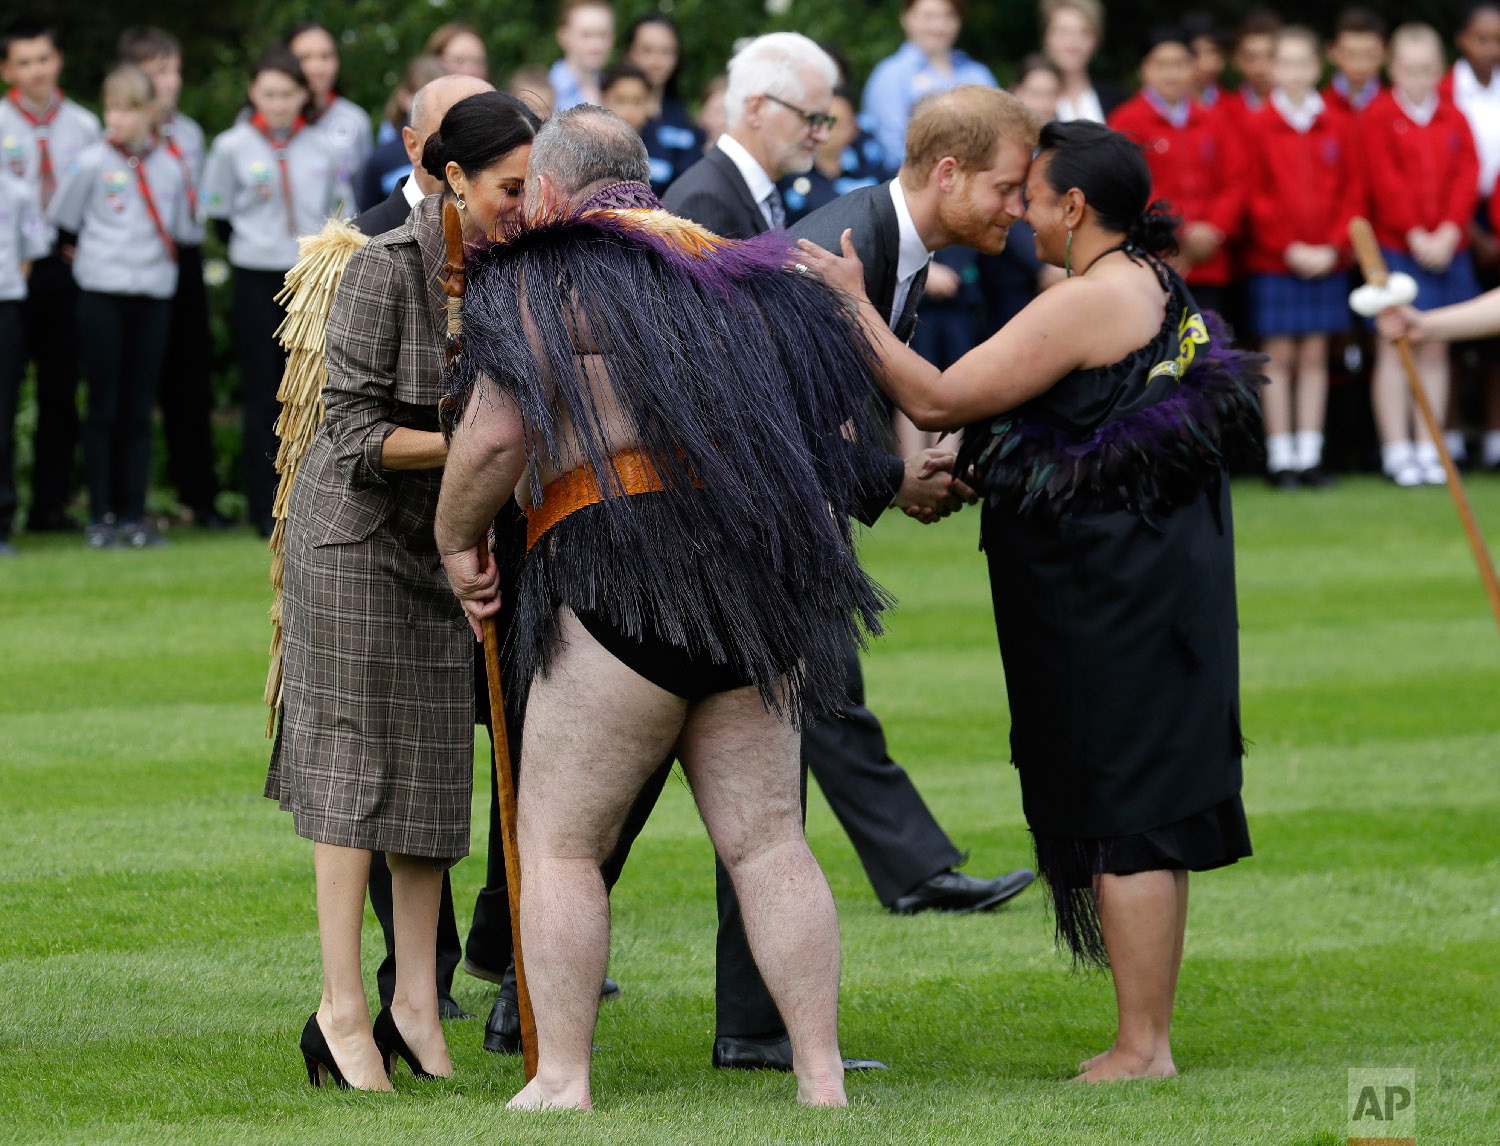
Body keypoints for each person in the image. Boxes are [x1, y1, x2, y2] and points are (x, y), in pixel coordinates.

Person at [435, 102, 893, 1113]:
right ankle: (821, 1078)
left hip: (615, 567)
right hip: (760, 587)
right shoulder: (749, 274)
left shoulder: (541, 275)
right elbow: (837, 434)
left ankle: (562, 1079)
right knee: (769, 840)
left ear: (550, 191)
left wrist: (454, 536)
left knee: (558, 844)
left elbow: (497, 436)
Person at [797, 118, 1259, 1084]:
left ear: (1075, 207)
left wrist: (851, 306)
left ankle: (1143, 1047)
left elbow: (936, 395)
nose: (1019, 213)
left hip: (1110, 595)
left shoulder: (1088, 300)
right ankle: (1146, 1036)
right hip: (1156, 581)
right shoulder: (1152, 280)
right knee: (1146, 802)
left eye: (1031, 196)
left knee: (1132, 807)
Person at [268, 90, 540, 1092]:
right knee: (354, 774)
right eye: (510, 186)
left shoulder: (514, 271)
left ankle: (415, 1006)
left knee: (431, 774)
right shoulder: (381, 268)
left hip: (442, 546)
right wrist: (477, 447)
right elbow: (347, 432)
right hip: (347, 545)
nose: (524, 201)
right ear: (451, 178)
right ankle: (341, 1013)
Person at [347, 72, 493, 1022]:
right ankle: (416, 981)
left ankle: (521, 942)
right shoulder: (355, 248)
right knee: (399, 765)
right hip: (388, 548)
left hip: (499, 544)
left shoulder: (516, 240)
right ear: (418, 150)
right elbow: (338, 431)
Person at [47, 64, 189, 551]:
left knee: (138, 406)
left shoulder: (170, 164)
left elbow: (185, 229)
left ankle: (133, 515)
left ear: (151, 112)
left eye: (127, 108)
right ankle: (99, 515)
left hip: (152, 293)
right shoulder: (90, 162)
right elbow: (62, 222)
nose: (116, 118)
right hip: (101, 294)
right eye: (110, 107)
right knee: (102, 405)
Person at [202, 48, 338, 538]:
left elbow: (339, 212)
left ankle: (311, 499)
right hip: (255, 274)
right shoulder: (232, 146)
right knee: (264, 390)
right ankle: (264, 505)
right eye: (268, 93)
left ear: (304, 94)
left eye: (287, 93)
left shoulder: (323, 146)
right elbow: (217, 217)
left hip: (308, 276)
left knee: (311, 389)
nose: (278, 102)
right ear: (253, 93)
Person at [1243, 25, 1364, 488]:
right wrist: (1287, 246)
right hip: (1277, 260)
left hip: (1326, 258)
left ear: (1318, 67)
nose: (1294, 72)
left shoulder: (1337, 121)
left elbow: (1353, 190)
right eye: (1285, 62)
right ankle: (1280, 457)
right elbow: (1254, 194)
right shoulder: (1256, 124)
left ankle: (1310, 454)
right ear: (1271, 69)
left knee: (1315, 355)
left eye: (1302, 62)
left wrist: (1333, 246)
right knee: (1278, 357)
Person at [1361, 24, 1479, 486]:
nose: (1419, 78)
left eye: (1428, 69)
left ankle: (1430, 446)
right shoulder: (1377, 114)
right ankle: (1396, 449)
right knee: (1394, 348)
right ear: (1393, 68)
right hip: (1396, 247)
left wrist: (1449, 232)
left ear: (1441, 69)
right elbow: (1383, 179)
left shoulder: (1455, 116)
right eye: (1410, 69)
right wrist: (1414, 234)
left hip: (1448, 248)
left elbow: (1467, 175)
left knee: (1436, 349)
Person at [118, 26, 226, 530]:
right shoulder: (121, 134)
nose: (170, 81)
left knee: (190, 381)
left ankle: (198, 499)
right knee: (131, 387)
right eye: (158, 71)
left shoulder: (188, 134)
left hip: (180, 258)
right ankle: (123, 504)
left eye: (174, 69)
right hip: (129, 261)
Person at [0, 21, 99, 534]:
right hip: (11, 271)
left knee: (61, 389)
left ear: (58, 60)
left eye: (43, 58)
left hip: (64, 271)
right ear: (7, 70)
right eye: (24, 61)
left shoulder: (84, 125)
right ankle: (4, 512)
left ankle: (50, 507)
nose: (35, 69)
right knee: (5, 390)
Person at [1108, 27, 1243, 316]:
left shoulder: (1214, 120)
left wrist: (1213, 231)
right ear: (1144, 69)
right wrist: (1178, 230)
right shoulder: (1126, 120)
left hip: (1209, 260)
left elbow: (1235, 181)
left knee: (1210, 349)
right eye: (1161, 65)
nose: (1171, 74)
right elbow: (1130, 184)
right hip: (1152, 259)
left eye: (1180, 64)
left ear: (1195, 68)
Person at [1441, 1, 1500, 471]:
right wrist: (1468, 230)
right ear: (1462, 40)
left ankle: (1497, 437)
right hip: (1453, 218)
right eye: (1483, 39)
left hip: (1498, 213)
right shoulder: (1443, 92)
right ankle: (1453, 435)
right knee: (1456, 336)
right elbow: (1446, 171)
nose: (1492, 49)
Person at [977, 57, 1066, 336]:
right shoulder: (997, 146)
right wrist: (1041, 267)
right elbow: (1002, 206)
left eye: (1049, 94)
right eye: (1034, 93)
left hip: (1060, 275)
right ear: (1016, 93)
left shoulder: (1066, 147)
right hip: (1008, 279)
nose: (1041, 103)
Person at [859, 0, 997, 176]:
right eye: (928, 16)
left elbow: (998, 133)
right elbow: (892, 150)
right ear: (906, 18)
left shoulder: (978, 74)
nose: (939, 25)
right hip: (913, 184)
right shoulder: (890, 75)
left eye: (948, 16)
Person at [0, 135, 49, 556]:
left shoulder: (16, 192)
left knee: (3, 413)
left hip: (5, 306)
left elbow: (31, 251)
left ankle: (1, 521)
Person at [285, 22, 372, 214]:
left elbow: (364, 190)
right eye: (305, 57)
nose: (317, 67)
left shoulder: (355, 120)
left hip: (340, 238)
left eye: (326, 56)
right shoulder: (266, 120)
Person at [777, 86, 881, 225]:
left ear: (854, 127)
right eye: (821, 120)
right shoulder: (790, 173)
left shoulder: (871, 170)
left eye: (836, 123)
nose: (826, 131)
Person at [355, 56, 446, 212]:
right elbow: (366, 216)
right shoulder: (382, 158)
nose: (432, 108)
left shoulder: (460, 150)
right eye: (422, 99)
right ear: (404, 98)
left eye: (441, 99)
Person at [1041, 0, 1124, 124]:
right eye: (1063, 31)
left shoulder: (1116, 99)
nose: (1073, 42)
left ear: (1096, 40)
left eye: (1084, 32)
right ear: (1046, 38)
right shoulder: (1026, 98)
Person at [548, 0, 614, 111]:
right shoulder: (547, 90)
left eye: (603, 35)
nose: (596, 45)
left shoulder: (614, 88)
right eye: (586, 35)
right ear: (563, 36)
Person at [1323, 7, 1388, 116]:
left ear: (1385, 53)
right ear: (1332, 52)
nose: (1359, 65)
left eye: (1369, 55)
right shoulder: (1317, 108)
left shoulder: (1396, 107)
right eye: (1350, 54)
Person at [599, 62, 652, 136]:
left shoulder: (660, 143)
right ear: (604, 100)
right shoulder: (588, 143)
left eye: (637, 101)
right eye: (620, 101)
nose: (629, 110)